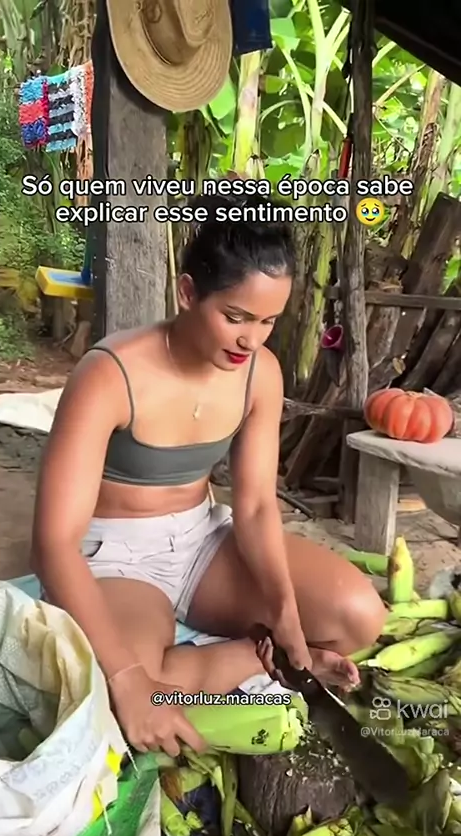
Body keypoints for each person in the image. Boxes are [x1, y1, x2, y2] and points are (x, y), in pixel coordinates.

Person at [30, 193, 387, 759]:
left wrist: (285, 617)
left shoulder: (259, 374)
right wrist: (127, 678)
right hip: (118, 559)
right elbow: (52, 544)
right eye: (236, 317)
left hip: (201, 543)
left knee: (357, 616)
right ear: (188, 292)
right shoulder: (109, 374)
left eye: (268, 321)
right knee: (113, 695)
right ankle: (233, 661)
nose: (252, 339)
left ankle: (257, 657)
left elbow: (255, 507)